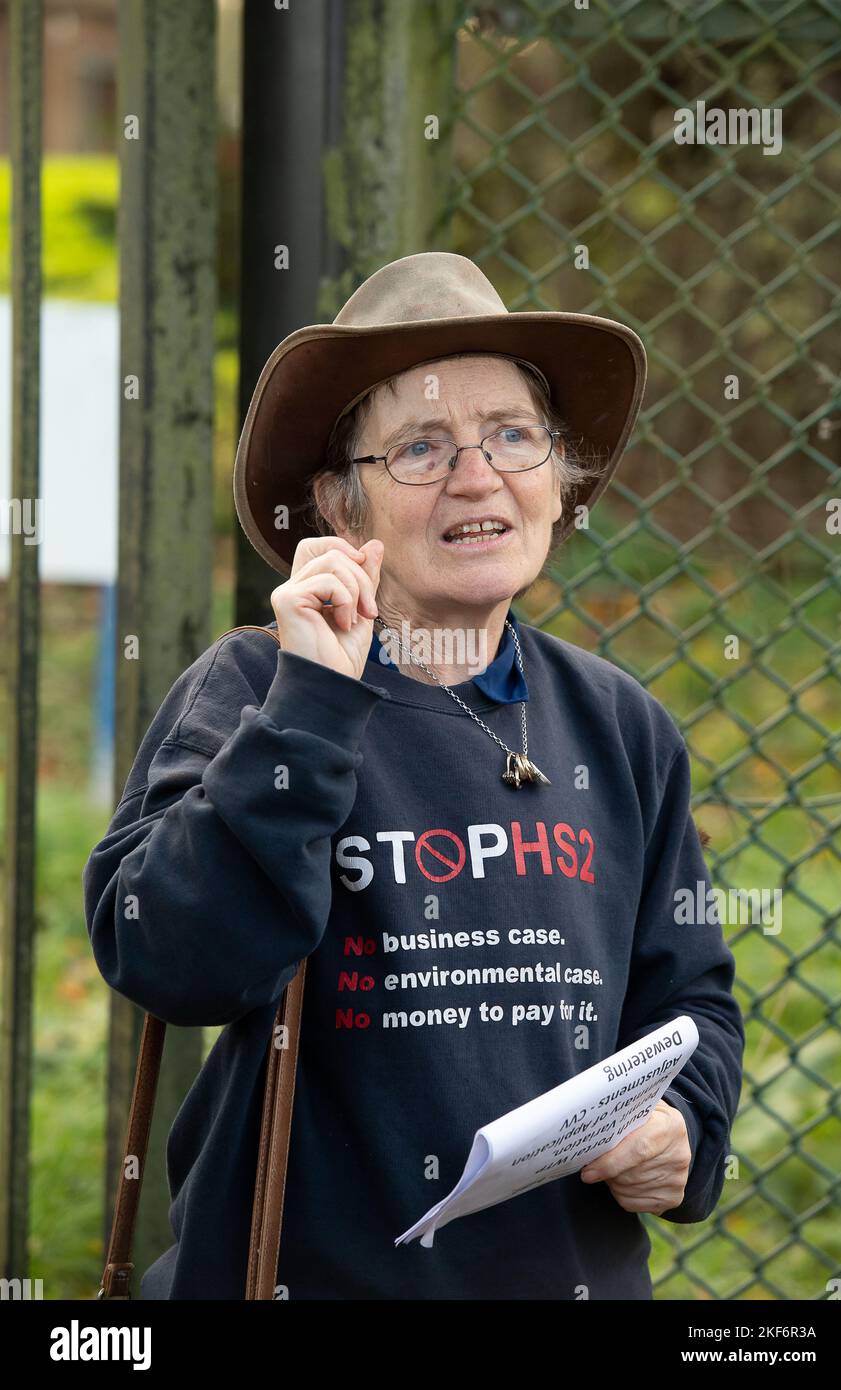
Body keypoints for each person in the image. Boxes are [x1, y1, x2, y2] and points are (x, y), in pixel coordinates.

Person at [83, 252, 744, 1300]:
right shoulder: (258, 685)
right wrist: (308, 709)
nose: (475, 477)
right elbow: (170, 958)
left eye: (511, 437)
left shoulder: (621, 724)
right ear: (343, 508)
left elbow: (690, 998)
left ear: (557, 478)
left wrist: (685, 1125)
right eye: (420, 447)